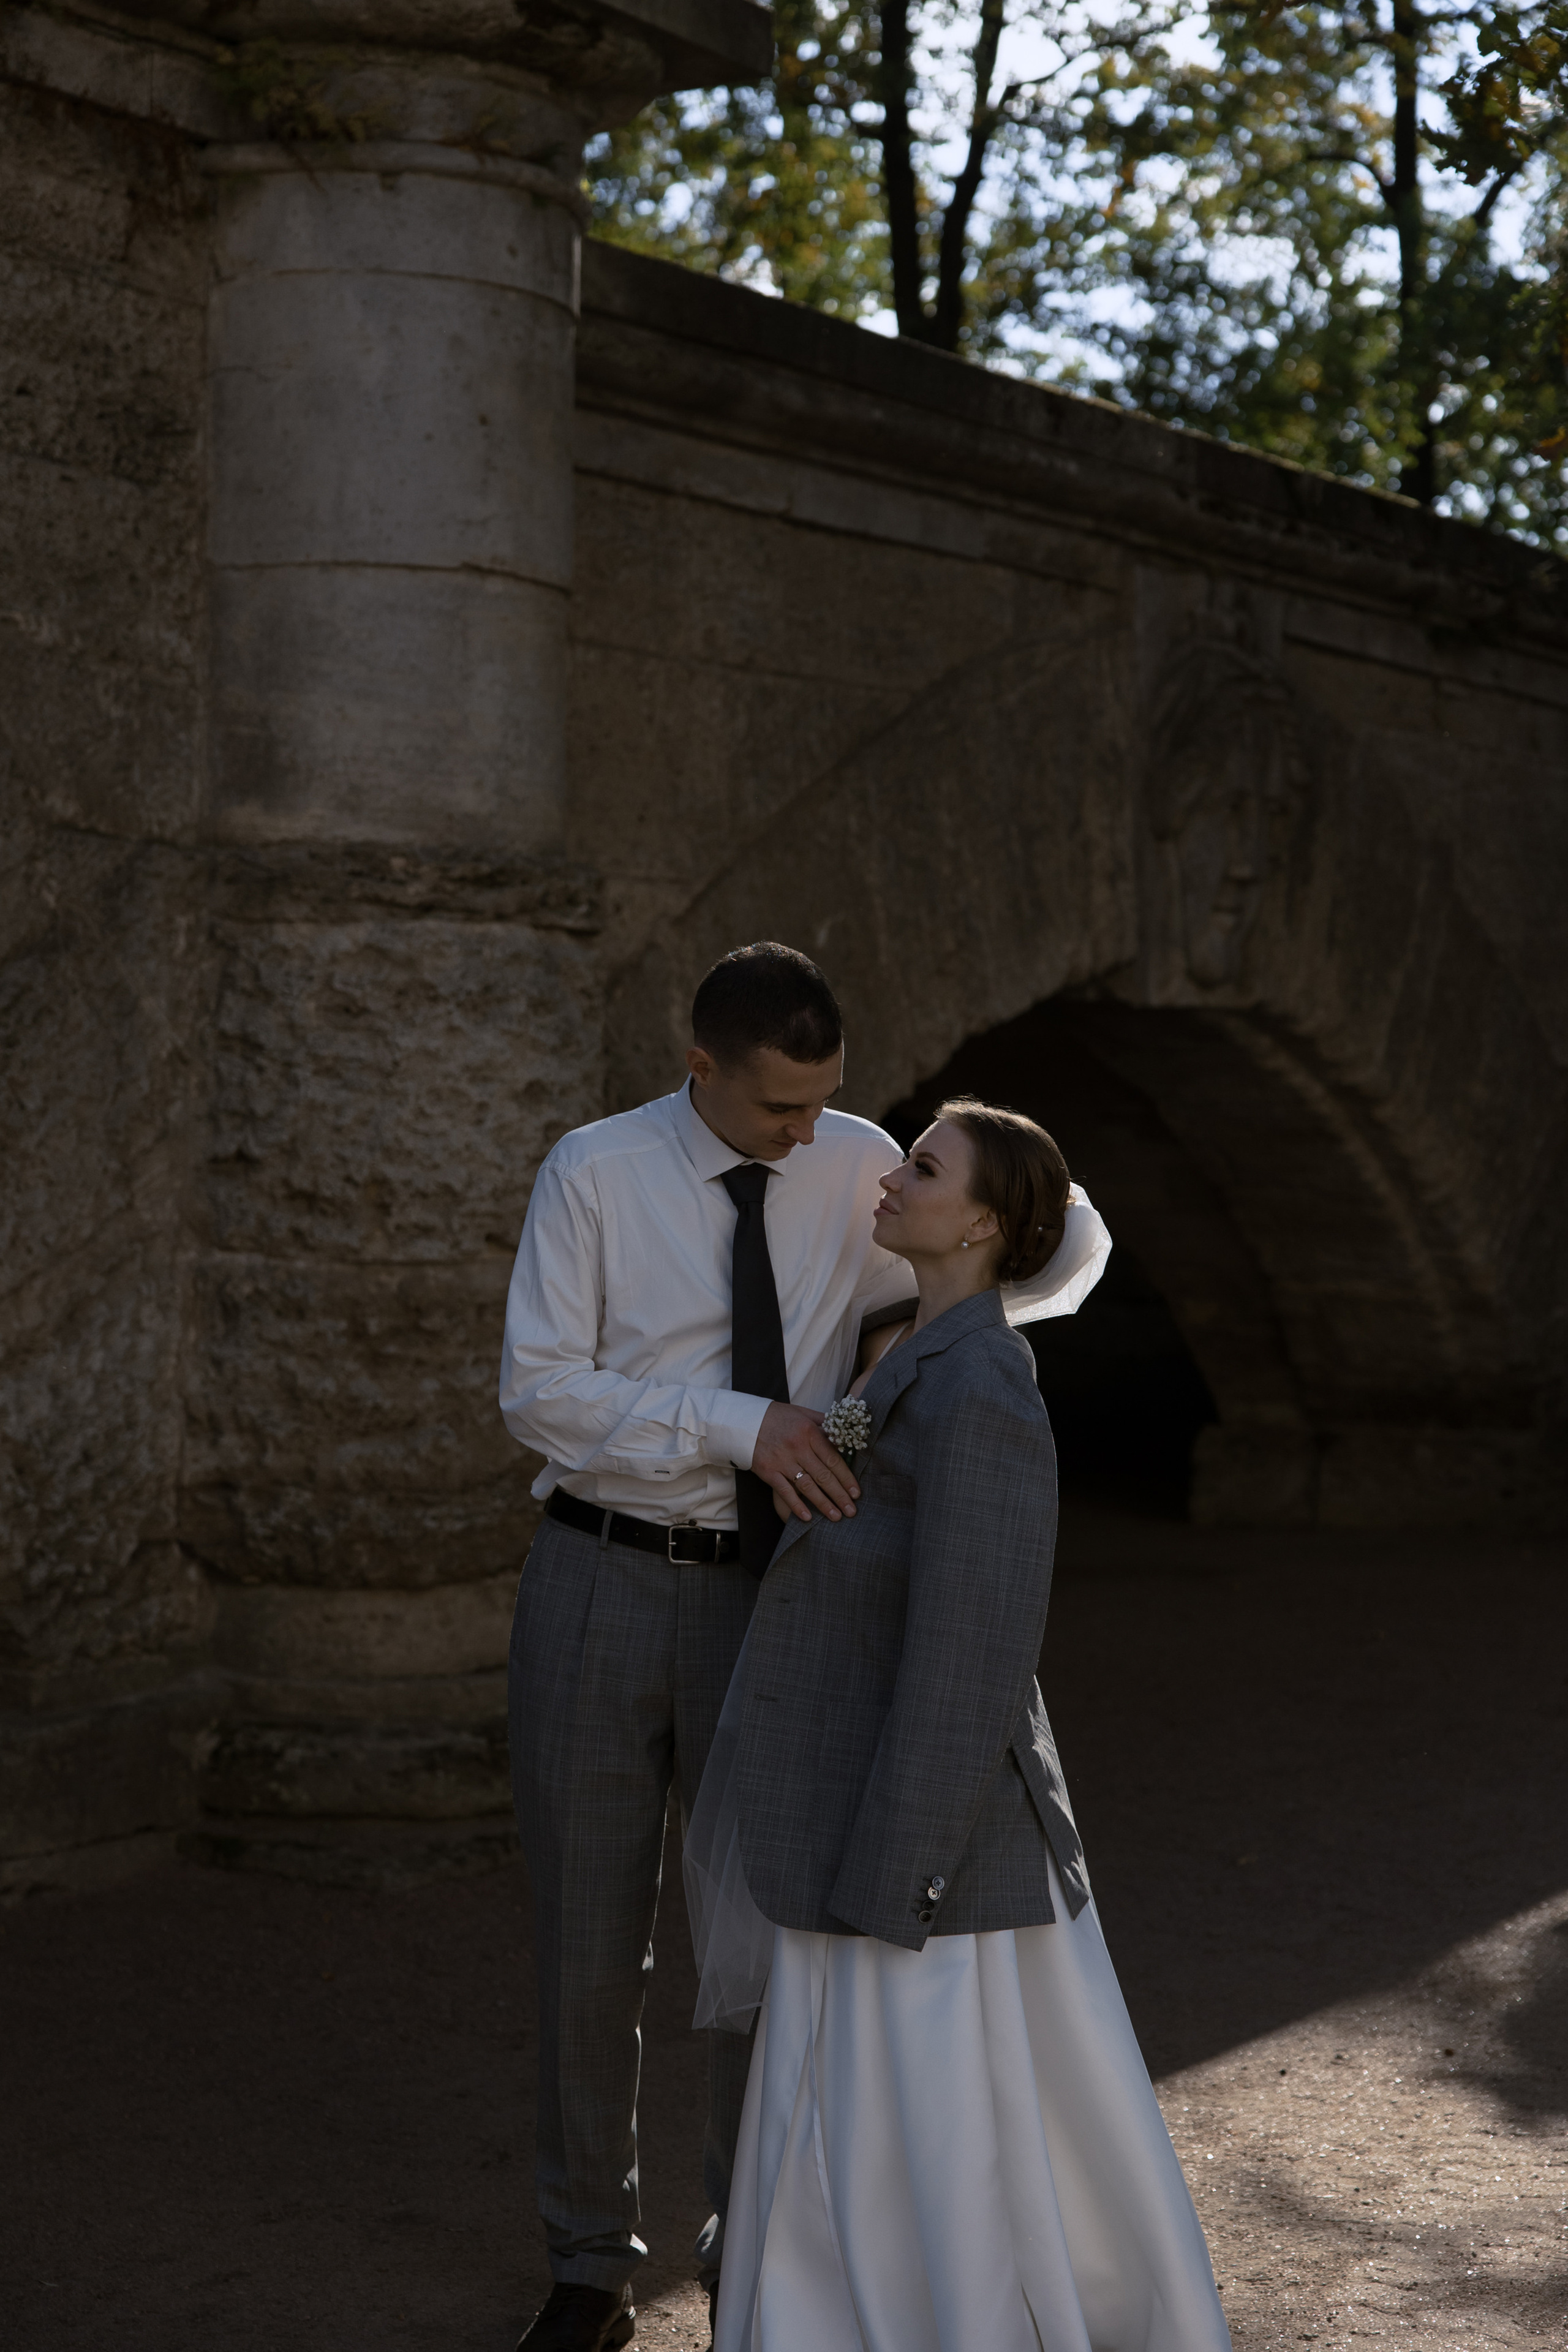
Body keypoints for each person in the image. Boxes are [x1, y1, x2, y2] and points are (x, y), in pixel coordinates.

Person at [684, 1099, 1232, 2352]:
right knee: (854, 2105)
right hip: (841, 1791)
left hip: (910, 1830)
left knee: (918, 2119)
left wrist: (900, 1864)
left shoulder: (982, 1381)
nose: (891, 1177)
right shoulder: (911, 1354)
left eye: (920, 1168)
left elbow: (972, 1651)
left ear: (981, 1221)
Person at [499, 943, 920, 2352]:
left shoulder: (856, 1155)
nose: (811, 1137)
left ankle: (748, 2241)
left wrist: (847, 1430)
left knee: (763, 1939)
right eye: (777, 1111)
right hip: (600, 1582)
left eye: (824, 1103)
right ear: (699, 1070)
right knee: (586, 1940)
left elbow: (910, 1317)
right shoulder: (593, 1174)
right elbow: (542, 1396)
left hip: (775, 1597)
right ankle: (585, 2261)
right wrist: (746, 1427)